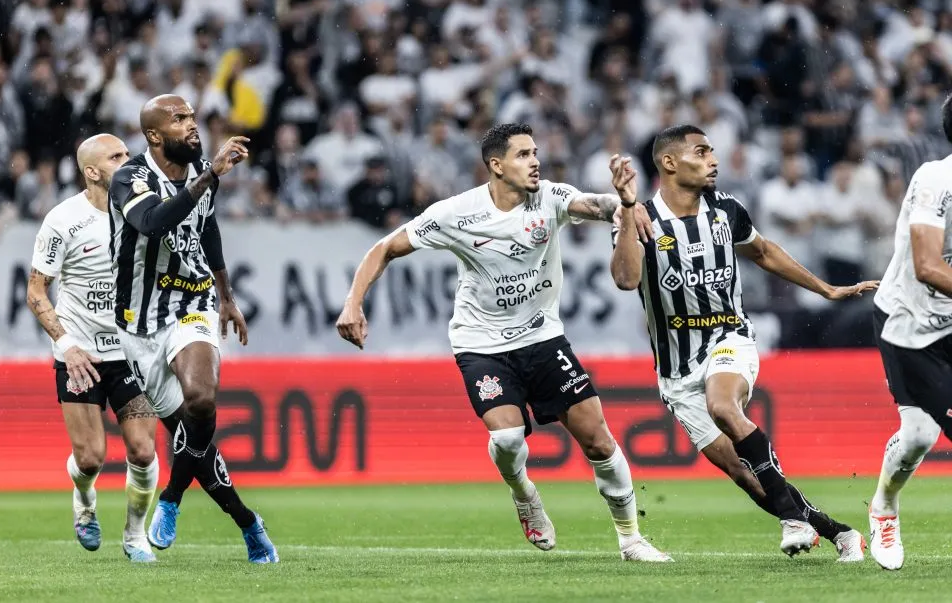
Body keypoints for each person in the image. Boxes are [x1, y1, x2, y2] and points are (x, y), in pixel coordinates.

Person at [336, 123, 671, 562]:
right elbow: (384, 247)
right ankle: (524, 493)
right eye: (523, 155)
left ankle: (631, 540)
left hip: (543, 338)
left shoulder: (550, 198)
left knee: (599, 442)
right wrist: (353, 304)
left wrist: (627, 203)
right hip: (481, 344)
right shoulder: (457, 213)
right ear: (496, 165)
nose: (535, 162)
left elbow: (596, 203)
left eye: (535, 153)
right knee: (510, 439)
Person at [609, 124, 877, 560]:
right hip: (676, 369)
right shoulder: (638, 218)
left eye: (713, 151)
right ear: (670, 162)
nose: (713, 159)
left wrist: (826, 290)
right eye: (702, 151)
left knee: (723, 406)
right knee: (743, 472)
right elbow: (625, 279)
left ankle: (793, 522)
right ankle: (839, 532)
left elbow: (765, 252)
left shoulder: (727, 210)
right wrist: (624, 206)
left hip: (729, 336)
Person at [107, 95, 278, 564]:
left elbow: (206, 229)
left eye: (191, 117)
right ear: (156, 136)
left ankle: (171, 498)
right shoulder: (130, 179)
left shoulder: (202, 170)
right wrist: (211, 176)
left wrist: (225, 296)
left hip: (191, 300)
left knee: (201, 398)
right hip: (139, 324)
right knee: (192, 441)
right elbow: (155, 222)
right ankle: (248, 523)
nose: (192, 125)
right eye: (179, 119)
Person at [26, 133, 159, 563]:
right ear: (92, 171)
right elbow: (35, 293)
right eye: (117, 155)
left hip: (133, 352)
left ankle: (135, 536)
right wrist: (67, 345)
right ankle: (84, 501)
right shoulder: (63, 220)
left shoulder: (145, 210)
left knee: (142, 450)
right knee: (91, 458)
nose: (129, 159)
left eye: (128, 152)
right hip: (80, 354)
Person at [868, 93, 952, 571]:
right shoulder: (935, 178)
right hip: (910, 325)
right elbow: (926, 265)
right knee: (919, 434)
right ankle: (884, 506)